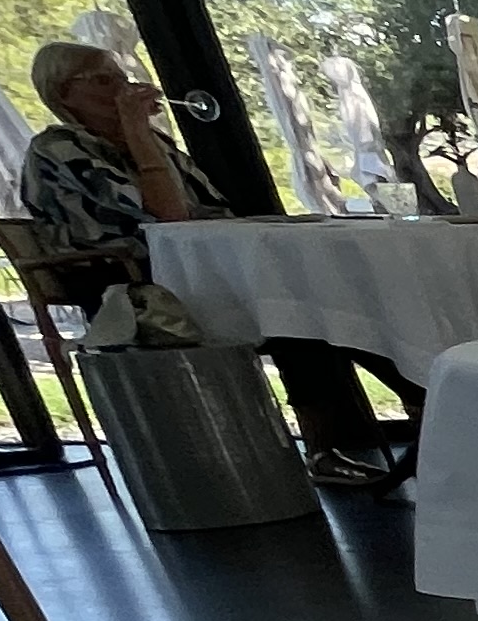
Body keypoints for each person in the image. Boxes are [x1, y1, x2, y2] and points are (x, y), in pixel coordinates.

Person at [19, 39, 389, 485]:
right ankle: (345, 437)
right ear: (64, 93)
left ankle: (397, 411)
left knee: (318, 296)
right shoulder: (59, 149)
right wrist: (138, 133)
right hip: (130, 283)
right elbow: (168, 216)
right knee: (295, 308)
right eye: (103, 80)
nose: (122, 88)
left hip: (193, 270)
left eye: (122, 77)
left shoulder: (154, 143)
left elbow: (213, 211)